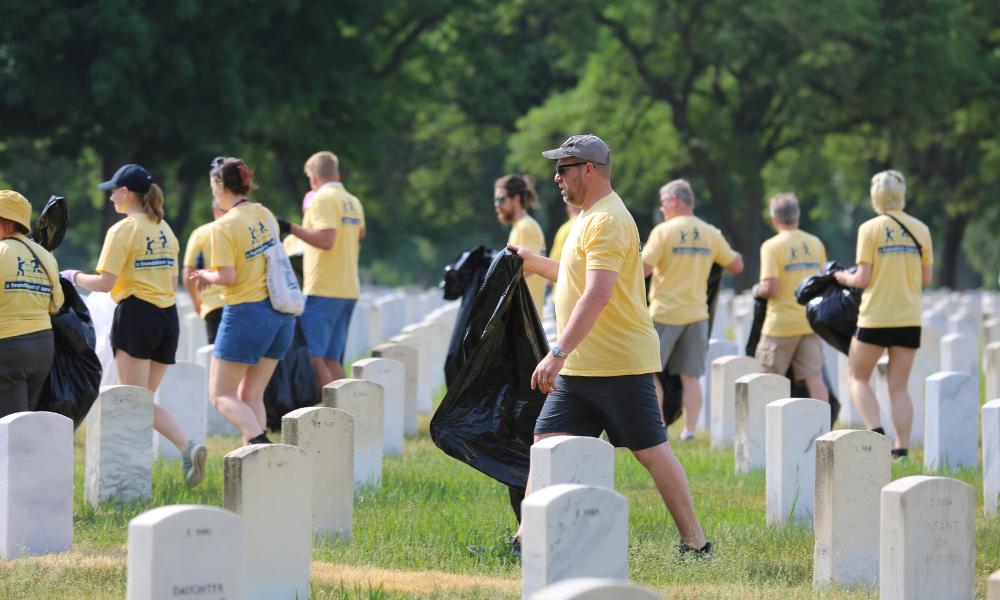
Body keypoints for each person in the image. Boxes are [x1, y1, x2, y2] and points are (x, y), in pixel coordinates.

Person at [508, 134, 711, 557]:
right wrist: (534, 262)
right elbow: (575, 277)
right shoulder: (587, 217)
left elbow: (597, 294)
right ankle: (525, 542)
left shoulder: (609, 220)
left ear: (588, 170)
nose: (556, 177)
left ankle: (696, 544)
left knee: (652, 453)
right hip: (582, 365)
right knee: (546, 444)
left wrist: (556, 352)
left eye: (563, 169)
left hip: (618, 363)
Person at [65, 165, 207, 487]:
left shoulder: (122, 230)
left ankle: (132, 478)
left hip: (137, 317)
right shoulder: (165, 229)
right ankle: (187, 448)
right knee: (143, 400)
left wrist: (73, 276)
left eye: (113, 191)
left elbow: (104, 284)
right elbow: (172, 284)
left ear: (126, 192)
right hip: (168, 319)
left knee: (133, 401)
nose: (111, 197)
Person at [189, 157, 295, 446]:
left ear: (221, 186)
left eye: (212, 185)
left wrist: (205, 275)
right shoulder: (265, 213)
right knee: (251, 395)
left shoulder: (223, 225)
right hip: (282, 315)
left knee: (220, 394)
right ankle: (259, 461)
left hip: (247, 313)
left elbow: (227, 276)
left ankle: (261, 443)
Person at [834, 171, 932, 461]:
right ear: (901, 194)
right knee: (899, 387)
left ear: (876, 196)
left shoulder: (869, 229)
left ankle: (877, 436)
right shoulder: (921, 229)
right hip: (909, 317)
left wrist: (844, 277)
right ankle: (901, 451)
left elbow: (863, 278)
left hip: (876, 316)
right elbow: (926, 278)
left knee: (857, 376)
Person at [641, 180, 743, 440]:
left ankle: (658, 427)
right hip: (697, 315)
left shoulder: (663, 231)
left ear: (674, 201)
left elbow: (643, 270)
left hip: (664, 313)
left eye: (663, 203)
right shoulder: (710, 232)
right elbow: (736, 265)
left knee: (650, 373)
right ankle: (689, 431)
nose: (662, 209)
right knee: (691, 377)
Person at [275, 152, 365, 388]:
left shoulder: (322, 199)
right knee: (331, 358)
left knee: (314, 356)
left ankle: (332, 409)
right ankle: (349, 407)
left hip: (324, 286)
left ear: (313, 177)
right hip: (348, 288)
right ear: (337, 173)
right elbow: (360, 234)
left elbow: (326, 240)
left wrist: (289, 227)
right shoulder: (352, 201)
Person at [754, 193, 829, 402]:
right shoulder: (815, 243)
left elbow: (771, 288)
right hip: (809, 323)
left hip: (780, 326)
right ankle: (824, 422)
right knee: (815, 380)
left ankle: (765, 423)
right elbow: (822, 282)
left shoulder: (771, 246)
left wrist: (757, 291)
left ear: (774, 220)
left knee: (769, 381)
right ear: (798, 216)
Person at [0, 191, 64, 420]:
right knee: (24, 420)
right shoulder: (46, 256)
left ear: (9, 222)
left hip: (8, 348)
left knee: (11, 426)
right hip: (42, 348)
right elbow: (55, 308)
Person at [495, 174, 546, 317]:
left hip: (525, 315)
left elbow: (532, 266)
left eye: (500, 199)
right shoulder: (521, 226)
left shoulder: (525, 227)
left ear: (516, 199)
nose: (496, 204)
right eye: (495, 200)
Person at [182, 201, 226, 344]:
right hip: (246, 303)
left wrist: (196, 301)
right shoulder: (246, 229)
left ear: (216, 210)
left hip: (215, 304)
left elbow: (189, 272)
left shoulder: (201, 233)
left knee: (218, 353)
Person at [547, 203, 582, 296]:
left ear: (568, 210)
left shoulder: (564, 229)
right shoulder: (584, 225)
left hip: (560, 286)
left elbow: (556, 255)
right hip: (576, 288)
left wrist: (549, 281)